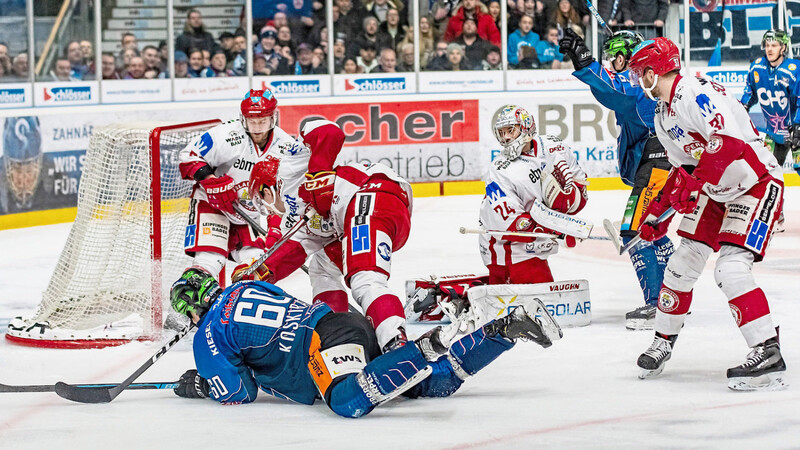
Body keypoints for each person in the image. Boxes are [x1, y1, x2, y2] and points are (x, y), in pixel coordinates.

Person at [168, 267, 562, 417]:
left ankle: (430, 344)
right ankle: (506, 329)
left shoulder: (207, 336)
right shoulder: (247, 285)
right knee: (430, 384)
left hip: (321, 347)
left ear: (190, 309)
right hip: (343, 323)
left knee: (346, 401)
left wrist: (204, 383)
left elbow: (240, 392)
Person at [627, 37, 787, 391]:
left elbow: (728, 143)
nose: (638, 79)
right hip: (717, 189)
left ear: (655, 71)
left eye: (640, 72)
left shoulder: (695, 93)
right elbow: (683, 169)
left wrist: (695, 182)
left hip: (755, 182)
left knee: (730, 268)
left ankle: (768, 349)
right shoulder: (662, 115)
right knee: (681, 264)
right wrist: (657, 214)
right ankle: (662, 342)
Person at [231, 121, 413, 353]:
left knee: (364, 279)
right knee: (321, 268)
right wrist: (254, 275)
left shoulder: (288, 162)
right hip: (361, 216)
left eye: (264, 203)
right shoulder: (295, 217)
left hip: (367, 194)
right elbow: (289, 253)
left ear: (268, 189)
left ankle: (396, 345)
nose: (270, 211)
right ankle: (337, 339)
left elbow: (329, 132)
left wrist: (318, 177)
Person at [559, 28, 674, 330]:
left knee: (634, 231)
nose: (612, 63)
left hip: (657, 166)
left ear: (626, 56)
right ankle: (674, 298)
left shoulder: (638, 85)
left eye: (614, 57)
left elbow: (610, 88)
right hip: (666, 165)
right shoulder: (650, 83)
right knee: (655, 231)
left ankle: (659, 306)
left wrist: (584, 59)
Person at [177, 89, 301, 283]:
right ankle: (187, 308)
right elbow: (188, 156)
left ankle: (240, 306)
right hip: (213, 203)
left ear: (273, 118)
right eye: (253, 121)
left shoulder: (286, 146)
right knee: (210, 258)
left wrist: (277, 227)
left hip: (248, 213)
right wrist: (211, 181)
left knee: (256, 264)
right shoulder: (226, 135)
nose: (258, 127)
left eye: (263, 121)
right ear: (243, 119)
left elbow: (287, 192)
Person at [478, 104, 588, 285]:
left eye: (510, 131)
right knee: (541, 303)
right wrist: (557, 229)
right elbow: (512, 224)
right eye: (501, 132)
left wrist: (570, 201)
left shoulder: (555, 147)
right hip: (507, 250)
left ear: (525, 126)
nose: (505, 137)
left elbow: (581, 186)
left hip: (534, 245)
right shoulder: (499, 170)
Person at [741, 30, 800, 173]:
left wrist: (798, 128)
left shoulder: (794, 69)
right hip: (774, 132)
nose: (769, 49)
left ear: (783, 48)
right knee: (767, 172)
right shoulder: (757, 67)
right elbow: (750, 94)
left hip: (796, 131)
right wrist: (742, 109)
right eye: (767, 45)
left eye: (774, 45)